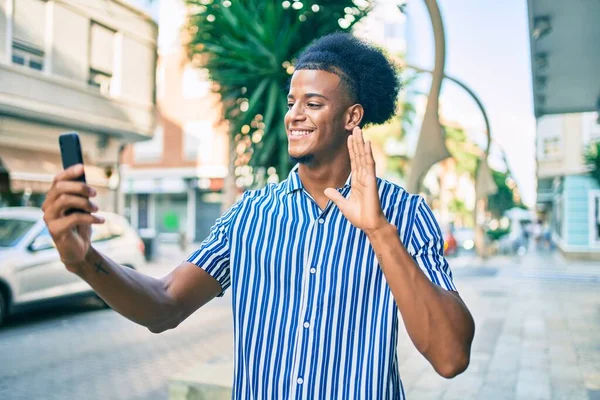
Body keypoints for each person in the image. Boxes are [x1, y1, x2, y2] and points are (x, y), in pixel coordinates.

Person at [42, 33, 474, 399]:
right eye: (291, 102)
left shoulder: (404, 213)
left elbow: (450, 356)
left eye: (313, 103)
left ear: (352, 117)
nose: (293, 115)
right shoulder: (251, 214)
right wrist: (84, 260)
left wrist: (379, 232)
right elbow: (164, 305)